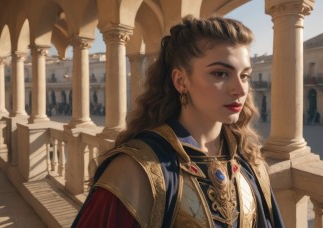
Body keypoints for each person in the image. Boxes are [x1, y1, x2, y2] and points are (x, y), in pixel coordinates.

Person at [72, 16, 284, 228]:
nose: (239, 90)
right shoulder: (137, 170)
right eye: (220, 74)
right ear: (181, 81)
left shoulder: (249, 163)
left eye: (245, 76)